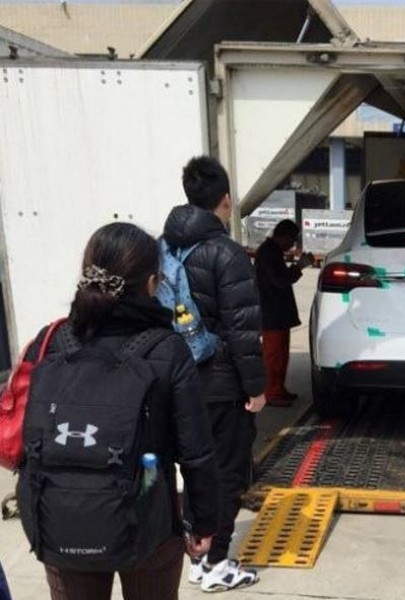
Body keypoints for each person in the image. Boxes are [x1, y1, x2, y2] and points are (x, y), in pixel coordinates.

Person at [20, 222, 218, 600]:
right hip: (147, 526)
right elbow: (196, 451)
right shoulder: (167, 350)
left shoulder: (51, 342)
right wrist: (203, 521)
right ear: (151, 284)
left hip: (61, 522)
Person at [162, 156, 266, 592]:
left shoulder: (163, 246)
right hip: (222, 384)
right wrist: (256, 388)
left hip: (176, 378)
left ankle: (195, 558)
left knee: (194, 470)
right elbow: (243, 329)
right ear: (226, 200)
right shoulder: (226, 253)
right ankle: (217, 562)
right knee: (228, 473)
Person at [254, 219, 313, 407]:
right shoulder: (268, 253)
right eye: (292, 239)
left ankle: (278, 387)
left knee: (281, 353)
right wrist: (299, 266)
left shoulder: (273, 252)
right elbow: (280, 280)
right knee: (273, 355)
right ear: (283, 236)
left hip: (278, 312)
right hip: (272, 312)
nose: (292, 245)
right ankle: (271, 392)